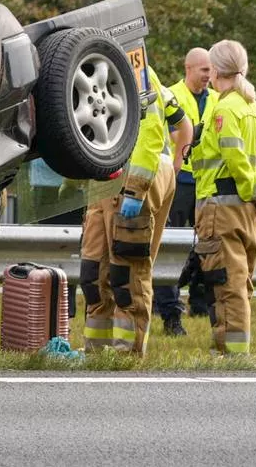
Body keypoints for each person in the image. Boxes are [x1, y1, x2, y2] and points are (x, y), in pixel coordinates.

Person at [82, 63, 192, 356]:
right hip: (107, 178)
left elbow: (153, 130)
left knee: (126, 274)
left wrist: (138, 186)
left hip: (132, 177)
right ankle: (96, 352)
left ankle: (126, 354)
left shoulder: (133, 68)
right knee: (94, 273)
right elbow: (184, 124)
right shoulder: (102, 67)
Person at [189, 40, 256, 356]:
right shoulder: (251, 106)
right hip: (246, 208)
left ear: (215, 70)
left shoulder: (224, 107)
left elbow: (233, 154)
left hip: (221, 206)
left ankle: (230, 352)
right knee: (240, 281)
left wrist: (253, 187)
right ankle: (233, 348)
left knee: (225, 282)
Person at [152, 48, 217, 336]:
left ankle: (201, 303)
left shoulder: (218, 99)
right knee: (171, 247)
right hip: (179, 183)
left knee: (205, 246)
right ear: (188, 68)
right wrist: (174, 171)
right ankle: (169, 308)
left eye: (211, 71)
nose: (208, 76)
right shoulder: (171, 94)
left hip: (207, 183)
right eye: (204, 70)